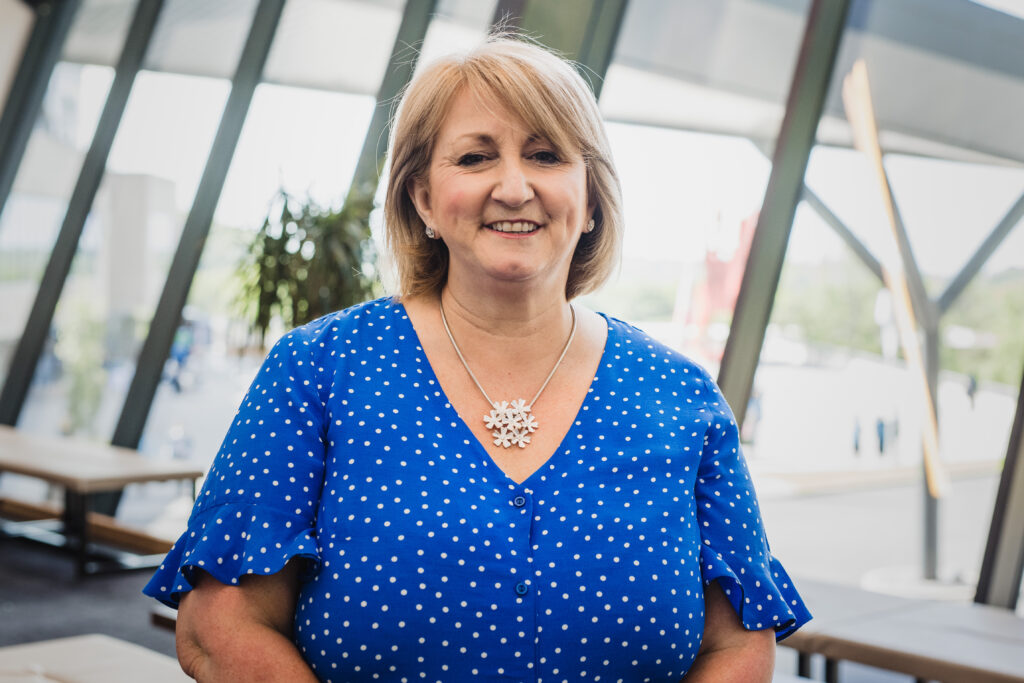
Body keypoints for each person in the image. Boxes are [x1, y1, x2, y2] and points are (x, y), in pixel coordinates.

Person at [144, 36, 810, 682]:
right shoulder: (319, 370)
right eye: (475, 158)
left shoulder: (682, 397)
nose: (514, 187)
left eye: (546, 155)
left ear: (590, 201)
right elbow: (221, 625)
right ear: (424, 198)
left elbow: (739, 644)